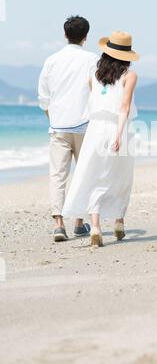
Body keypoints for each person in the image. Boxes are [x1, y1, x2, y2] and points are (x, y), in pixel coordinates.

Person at [62, 31, 139, 247]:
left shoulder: (93, 75)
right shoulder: (129, 75)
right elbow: (123, 107)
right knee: (120, 177)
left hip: (95, 129)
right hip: (118, 128)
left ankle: (95, 227)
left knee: (94, 175)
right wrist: (118, 134)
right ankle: (118, 222)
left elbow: (94, 100)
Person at [38, 15, 99, 242]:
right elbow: (97, 90)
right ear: (86, 36)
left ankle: (58, 224)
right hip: (86, 126)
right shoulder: (92, 59)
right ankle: (80, 222)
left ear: (65, 35)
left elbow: (43, 98)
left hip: (59, 127)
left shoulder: (51, 60)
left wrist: (52, 118)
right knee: (84, 174)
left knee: (57, 175)